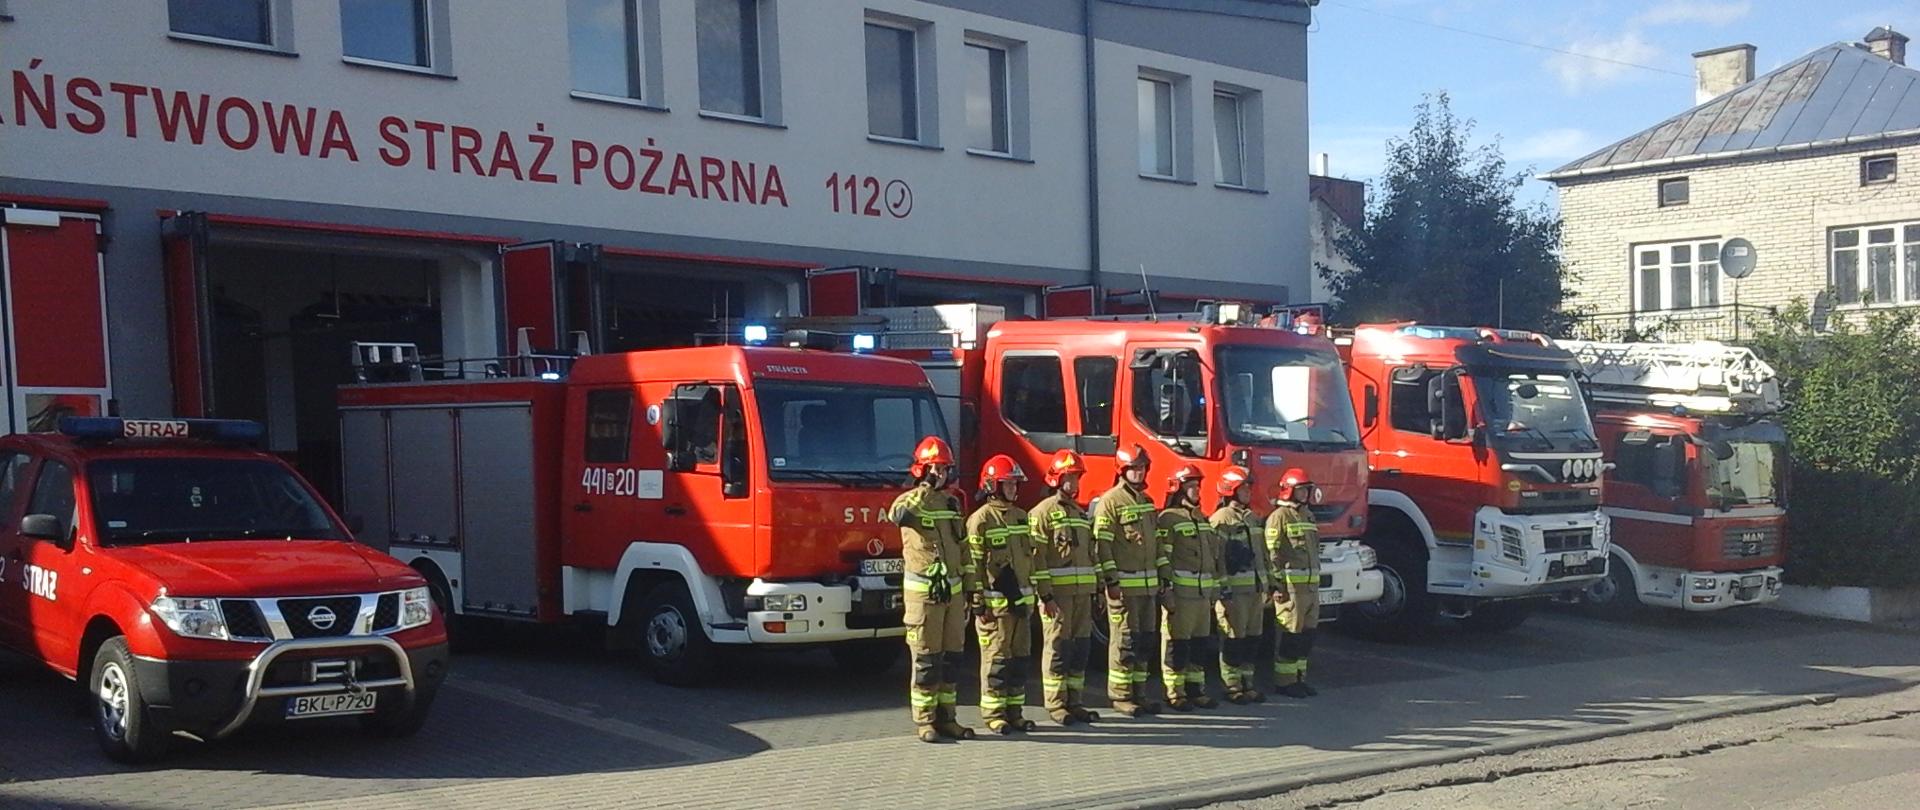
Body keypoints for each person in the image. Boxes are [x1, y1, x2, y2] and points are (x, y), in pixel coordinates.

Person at [892, 436, 979, 742]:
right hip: (924, 597)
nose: (941, 474)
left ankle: (948, 718)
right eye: (935, 469)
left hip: (953, 597)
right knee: (927, 659)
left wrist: (972, 590)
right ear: (921, 470)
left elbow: (964, 550)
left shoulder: (953, 503)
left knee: (952, 658)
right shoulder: (910, 501)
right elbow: (896, 516)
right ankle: (925, 721)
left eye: (944, 469)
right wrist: (925, 487)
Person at [1092, 444, 1171, 717]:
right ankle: (1121, 696)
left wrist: (1164, 576)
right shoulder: (1111, 502)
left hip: (1148, 590)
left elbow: (1157, 544)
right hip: (1124, 589)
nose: (1138, 473)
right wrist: (1111, 581)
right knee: (1124, 642)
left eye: (1142, 468)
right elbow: (1103, 545)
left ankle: (1140, 693)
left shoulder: (1147, 502)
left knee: (1144, 641)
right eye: (1133, 468)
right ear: (1123, 470)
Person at [967, 455, 1040, 735]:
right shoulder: (980, 520)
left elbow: (1029, 560)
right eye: (1008, 484)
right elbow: (973, 564)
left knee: (1019, 659)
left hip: (1021, 605)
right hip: (995, 608)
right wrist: (977, 602)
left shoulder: (1021, 516)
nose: (1013, 489)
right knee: (997, 660)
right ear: (992, 485)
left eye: (1014, 484)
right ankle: (994, 714)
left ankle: (1015, 712)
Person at [1029, 450, 1100, 725]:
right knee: (1058, 648)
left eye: (1076, 477)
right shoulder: (1042, 513)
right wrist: (1045, 595)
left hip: (1082, 595)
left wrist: (1096, 590)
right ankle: (1056, 704)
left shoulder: (1080, 513)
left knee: (1080, 648)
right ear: (1056, 479)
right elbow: (1037, 559)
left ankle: (1075, 700)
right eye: (1068, 478)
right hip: (1057, 598)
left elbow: (1090, 555)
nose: (1074, 483)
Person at [1158, 464, 1224, 711]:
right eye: (1191, 486)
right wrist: (1167, 592)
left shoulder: (1202, 519)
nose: (1197, 491)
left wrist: (1214, 592)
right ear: (1178, 488)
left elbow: (1213, 561)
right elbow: (1163, 559)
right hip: (1181, 597)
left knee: (1199, 646)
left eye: (1198, 486)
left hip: (1202, 597)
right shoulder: (1169, 519)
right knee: (1177, 644)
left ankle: (1197, 690)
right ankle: (1175, 693)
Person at [1210, 466, 1269, 704]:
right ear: (1230, 490)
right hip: (1234, 593)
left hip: (1254, 591)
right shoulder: (1221, 519)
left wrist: (1268, 584)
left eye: (1248, 488)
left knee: (1252, 639)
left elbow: (1262, 554)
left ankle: (1248, 683)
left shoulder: (1252, 518)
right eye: (1243, 488)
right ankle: (1231, 686)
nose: (1248, 492)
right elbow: (1216, 558)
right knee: (1233, 639)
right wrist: (1223, 590)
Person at [1266, 468, 1324, 699]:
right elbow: (1272, 553)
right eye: (1300, 490)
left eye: (1306, 490)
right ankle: (1285, 682)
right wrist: (1276, 585)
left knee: (1306, 636)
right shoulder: (1279, 516)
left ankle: (1300, 678)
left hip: (1310, 588)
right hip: (1291, 589)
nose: (1304, 494)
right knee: (1290, 635)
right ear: (1289, 491)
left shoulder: (1308, 515)